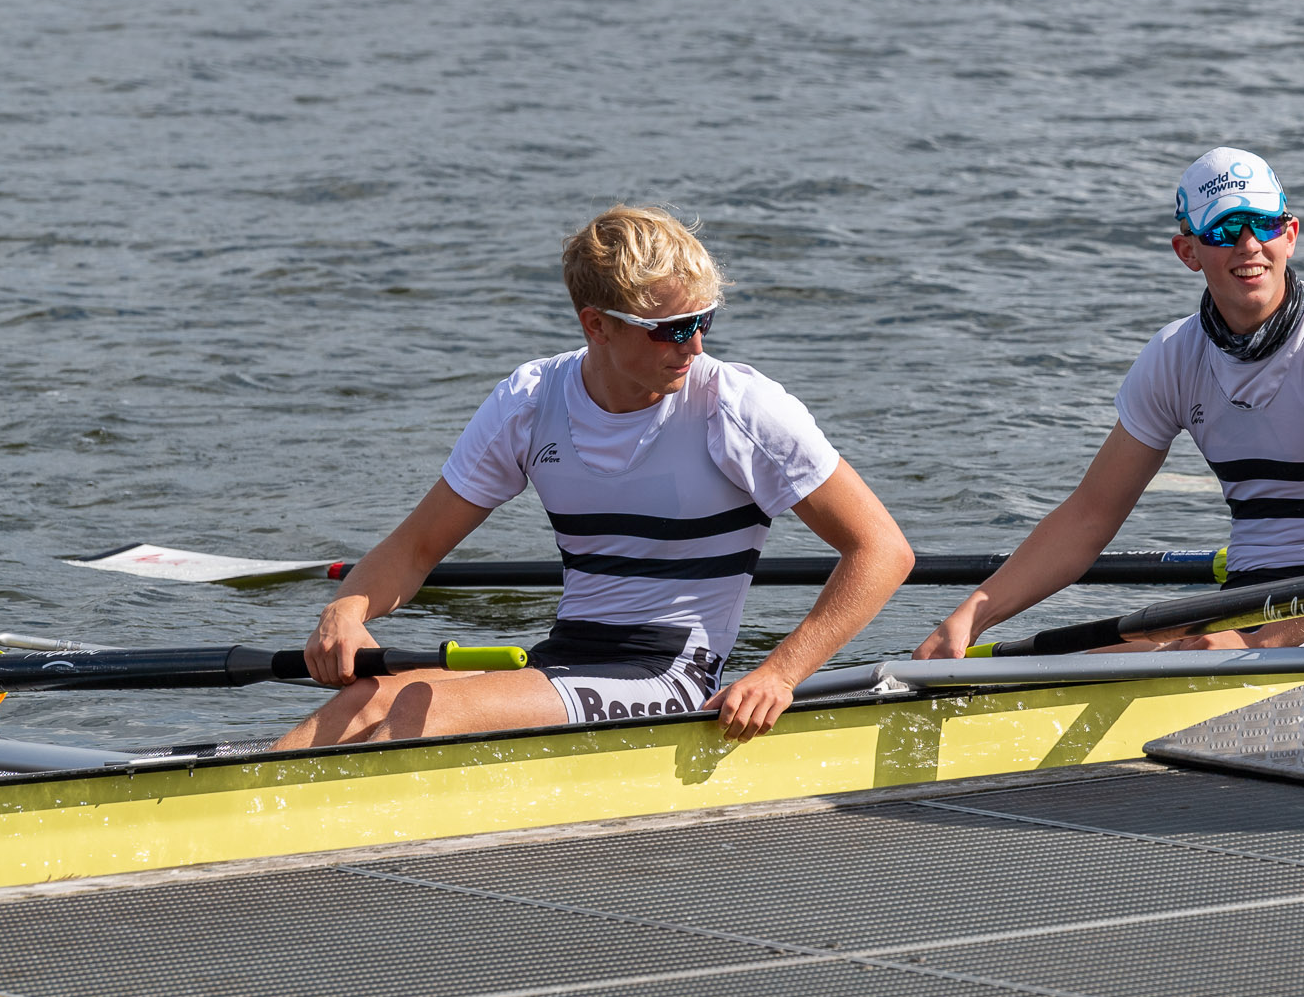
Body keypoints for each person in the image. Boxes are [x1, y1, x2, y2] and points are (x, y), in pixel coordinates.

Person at [275, 206, 914, 750]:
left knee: (428, 712)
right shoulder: (531, 401)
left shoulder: (738, 408)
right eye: (672, 330)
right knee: (368, 695)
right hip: (567, 654)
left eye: (705, 322)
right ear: (597, 325)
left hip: (670, 672)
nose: (694, 348)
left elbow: (882, 551)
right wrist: (347, 609)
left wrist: (780, 674)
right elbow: (413, 550)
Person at [916, 149, 1304, 659]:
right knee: (1098, 656)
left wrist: (1259, 640)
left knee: (1161, 656)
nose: (1250, 245)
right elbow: (1089, 516)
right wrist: (971, 614)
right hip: (1248, 602)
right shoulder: (1175, 357)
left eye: (1264, 225)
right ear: (1188, 252)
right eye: (1225, 230)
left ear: (1289, 236)